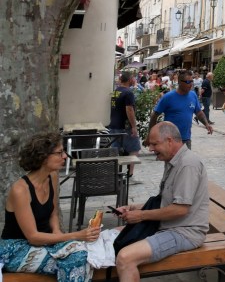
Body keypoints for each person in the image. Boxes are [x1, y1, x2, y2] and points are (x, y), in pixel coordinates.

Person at [114, 122, 210, 282]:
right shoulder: (172, 160)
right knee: (113, 235)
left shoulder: (187, 164)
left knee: (125, 257)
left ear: (169, 141)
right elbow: (165, 201)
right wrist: (133, 208)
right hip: (168, 227)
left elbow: (180, 209)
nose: (151, 149)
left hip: (186, 233)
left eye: (154, 144)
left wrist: (141, 215)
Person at [1, 131, 96, 281]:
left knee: (84, 254)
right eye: (59, 153)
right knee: (75, 259)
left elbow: (53, 213)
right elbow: (33, 237)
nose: (65, 156)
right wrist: (75, 235)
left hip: (44, 242)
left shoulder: (52, 176)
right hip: (15, 248)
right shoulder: (20, 190)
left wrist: (57, 234)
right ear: (44, 157)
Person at [150, 70, 213, 150]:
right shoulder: (168, 97)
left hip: (186, 139)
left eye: (192, 81)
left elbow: (199, 112)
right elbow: (154, 115)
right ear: (179, 82)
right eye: (188, 82)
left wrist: (206, 124)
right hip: (170, 140)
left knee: (186, 158)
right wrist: (151, 135)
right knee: (171, 159)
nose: (191, 84)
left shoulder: (193, 95)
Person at [109, 70, 142, 180]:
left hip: (113, 125)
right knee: (134, 148)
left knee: (116, 150)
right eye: (133, 78)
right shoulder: (128, 93)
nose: (134, 80)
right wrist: (134, 127)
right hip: (125, 126)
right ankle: (130, 174)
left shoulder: (116, 91)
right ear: (129, 80)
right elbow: (129, 110)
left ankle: (115, 174)